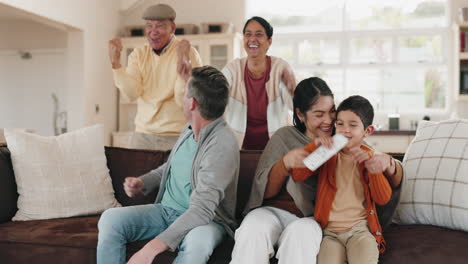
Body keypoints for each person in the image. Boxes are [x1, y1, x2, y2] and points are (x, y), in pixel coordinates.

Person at [230, 77, 403, 264]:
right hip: (272, 212)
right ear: (301, 114)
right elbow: (264, 192)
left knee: (300, 236)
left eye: (332, 112)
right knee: (252, 230)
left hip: (309, 219)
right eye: (319, 114)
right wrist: (285, 164)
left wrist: (390, 165)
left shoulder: (342, 140)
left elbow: (379, 162)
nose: (328, 120)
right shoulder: (285, 137)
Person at [97, 66, 240, 264]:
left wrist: (149, 250)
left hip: (206, 222)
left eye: (184, 93)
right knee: (111, 219)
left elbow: (202, 211)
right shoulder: (189, 129)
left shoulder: (222, 144)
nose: (182, 97)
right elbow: (172, 166)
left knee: (197, 245)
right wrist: (143, 182)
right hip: (165, 212)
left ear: (192, 103)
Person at [292, 95, 398, 264]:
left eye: (353, 125)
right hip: (330, 234)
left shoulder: (370, 158)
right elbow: (298, 175)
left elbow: (383, 198)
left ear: (367, 131)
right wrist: (315, 147)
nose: (344, 130)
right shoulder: (328, 153)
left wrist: (373, 170)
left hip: (360, 231)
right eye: (340, 123)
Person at [109, 3, 202, 151]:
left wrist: (182, 65)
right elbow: (132, 94)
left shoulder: (188, 53)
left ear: (172, 28)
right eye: (149, 26)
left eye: (159, 26)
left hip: (177, 134)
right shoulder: (138, 55)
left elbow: (183, 101)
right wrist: (116, 65)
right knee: (138, 175)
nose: (153, 32)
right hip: (143, 135)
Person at [222, 16, 296, 150]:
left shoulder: (280, 67)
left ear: (269, 41)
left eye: (259, 34)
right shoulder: (233, 69)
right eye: (248, 34)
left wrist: (292, 89)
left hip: (276, 146)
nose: (252, 39)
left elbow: (295, 107)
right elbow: (215, 96)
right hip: (239, 147)